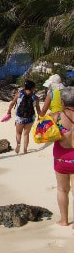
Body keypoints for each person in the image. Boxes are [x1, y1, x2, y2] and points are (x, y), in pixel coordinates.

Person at [52, 87, 74, 227]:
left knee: (62, 189)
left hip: (61, 158)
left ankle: (64, 220)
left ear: (62, 102)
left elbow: (42, 135)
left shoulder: (56, 117)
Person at [4, 80, 41, 154]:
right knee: (26, 134)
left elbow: (12, 104)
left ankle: (18, 144)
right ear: (32, 88)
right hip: (30, 118)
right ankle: (25, 150)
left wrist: (8, 112)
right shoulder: (35, 97)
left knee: (18, 133)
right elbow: (38, 110)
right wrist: (40, 117)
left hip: (20, 117)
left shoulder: (19, 94)